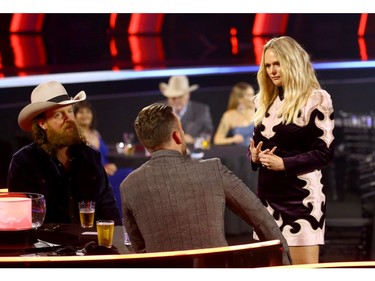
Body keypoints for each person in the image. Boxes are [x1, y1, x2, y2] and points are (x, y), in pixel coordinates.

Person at [120, 103, 292, 265]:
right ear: (176, 136)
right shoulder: (213, 170)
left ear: (145, 143)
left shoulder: (129, 186)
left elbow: (139, 249)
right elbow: (262, 219)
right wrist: (284, 265)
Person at [248, 36, 335, 264]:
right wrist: (255, 156)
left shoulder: (315, 99)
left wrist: (284, 164)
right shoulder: (262, 100)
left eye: (278, 64)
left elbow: (324, 153)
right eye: (268, 65)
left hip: (301, 199)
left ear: (293, 62)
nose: (272, 71)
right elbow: (258, 146)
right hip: (267, 200)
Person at [7, 80, 121, 225]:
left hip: (91, 244)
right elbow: (20, 218)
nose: (69, 119)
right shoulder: (24, 162)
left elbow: (108, 206)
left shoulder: (91, 156)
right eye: (58, 115)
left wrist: (117, 241)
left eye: (69, 111)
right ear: (42, 123)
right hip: (46, 245)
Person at [73, 100, 133, 217]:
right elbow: (81, 161)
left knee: (129, 174)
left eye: (88, 111)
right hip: (94, 174)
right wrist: (102, 169)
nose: (85, 115)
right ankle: (119, 219)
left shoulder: (95, 133)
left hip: (107, 171)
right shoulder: (76, 136)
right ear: (74, 116)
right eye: (81, 112)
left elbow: (103, 155)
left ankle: (129, 217)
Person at [159, 75, 214, 144]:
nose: (177, 100)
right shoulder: (158, 111)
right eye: (173, 97)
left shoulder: (201, 110)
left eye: (180, 96)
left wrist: (194, 140)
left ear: (188, 95)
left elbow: (207, 140)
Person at [213, 82, 255, 147]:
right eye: (249, 95)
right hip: (241, 154)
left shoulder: (258, 112)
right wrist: (233, 139)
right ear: (239, 99)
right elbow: (217, 140)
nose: (253, 97)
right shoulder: (229, 115)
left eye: (253, 94)